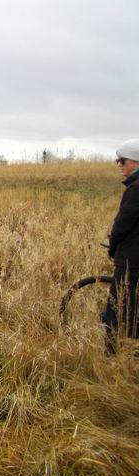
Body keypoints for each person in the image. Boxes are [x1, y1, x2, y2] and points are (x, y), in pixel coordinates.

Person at [103, 139, 139, 354]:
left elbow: (122, 224)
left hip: (131, 258)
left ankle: (111, 355)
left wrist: (112, 245)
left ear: (135, 162)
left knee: (117, 306)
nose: (119, 165)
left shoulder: (135, 190)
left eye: (122, 161)